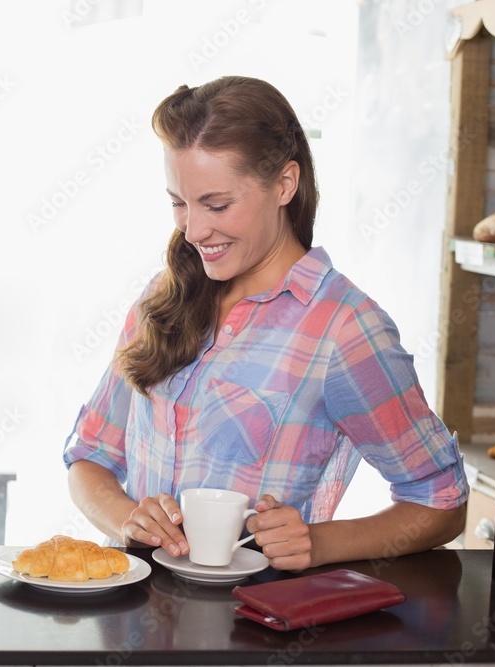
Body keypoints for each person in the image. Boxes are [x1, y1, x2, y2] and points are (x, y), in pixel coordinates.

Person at [63, 76, 469, 572]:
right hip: (136, 629)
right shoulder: (162, 298)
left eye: (216, 205)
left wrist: (320, 543)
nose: (192, 230)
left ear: (284, 184)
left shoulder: (345, 329)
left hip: (257, 634)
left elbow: (441, 501)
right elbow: (89, 457)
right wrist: (129, 519)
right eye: (178, 202)